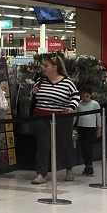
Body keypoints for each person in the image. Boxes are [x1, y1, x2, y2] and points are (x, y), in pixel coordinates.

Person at [30, 53, 79, 185]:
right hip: (41, 116)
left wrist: (71, 107)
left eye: (46, 66)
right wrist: (33, 92)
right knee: (43, 144)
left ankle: (69, 168)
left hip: (61, 117)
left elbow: (75, 96)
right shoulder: (41, 80)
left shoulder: (67, 82)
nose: (43, 68)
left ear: (55, 67)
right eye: (42, 65)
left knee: (64, 143)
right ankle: (41, 174)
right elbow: (34, 95)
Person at [75, 87, 102, 176]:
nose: (85, 98)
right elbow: (75, 116)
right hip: (81, 127)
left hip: (91, 127)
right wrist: (72, 126)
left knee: (87, 146)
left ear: (91, 95)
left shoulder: (95, 104)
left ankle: (89, 165)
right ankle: (87, 166)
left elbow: (98, 117)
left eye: (87, 96)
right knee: (83, 146)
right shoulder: (79, 104)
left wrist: (99, 129)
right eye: (83, 96)